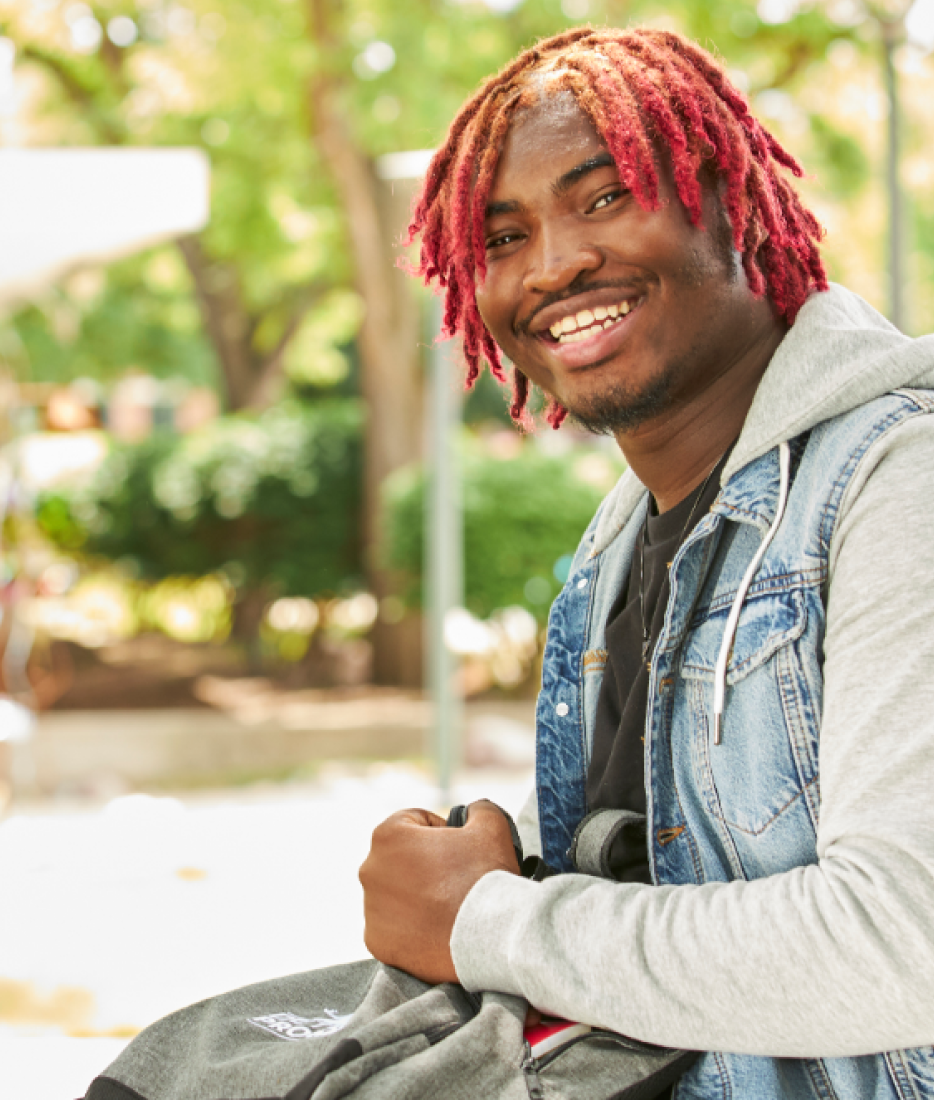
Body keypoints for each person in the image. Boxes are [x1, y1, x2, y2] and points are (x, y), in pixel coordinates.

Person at [358, 25, 934, 1099]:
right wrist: (485, 861)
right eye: (502, 235)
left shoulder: (899, 482)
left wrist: (488, 920)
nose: (555, 264)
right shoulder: (621, 537)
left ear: (737, 199)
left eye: (603, 196)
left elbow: (909, 941)